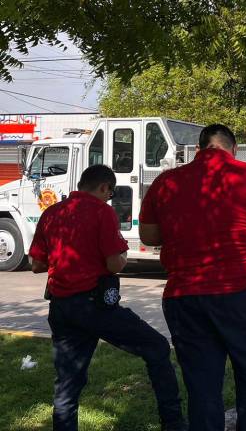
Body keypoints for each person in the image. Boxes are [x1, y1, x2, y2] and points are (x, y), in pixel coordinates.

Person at [139, 124, 246, 431]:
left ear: (198, 150)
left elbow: (149, 234)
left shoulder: (167, 181)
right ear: (234, 149)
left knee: (202, 385)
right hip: (244, 296)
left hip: (185, 298)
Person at [29, 165, 184, 431]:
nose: (109, 198)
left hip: (61, 307)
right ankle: (174, 423)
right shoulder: (102, 212)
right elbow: (114, 264)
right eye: (110, 193)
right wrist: (121, 255)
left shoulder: (52, 213)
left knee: (68, 382)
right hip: (95, 305)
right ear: (104, 187)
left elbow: (36, 264)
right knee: (157, 348)